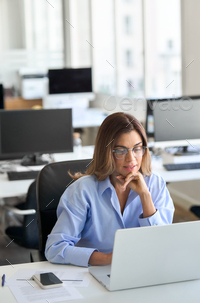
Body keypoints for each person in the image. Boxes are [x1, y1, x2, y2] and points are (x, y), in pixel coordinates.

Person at [45, 112, 174, 267]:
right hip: (94, 272)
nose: (131, 159)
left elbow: (162, 244)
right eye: (121, 150)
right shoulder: (83, 190)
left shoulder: (155, 184)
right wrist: (109, 259)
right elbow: (55, 248)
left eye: (137, 149)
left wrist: (145, 195)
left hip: (143, 268)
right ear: (106, 151)